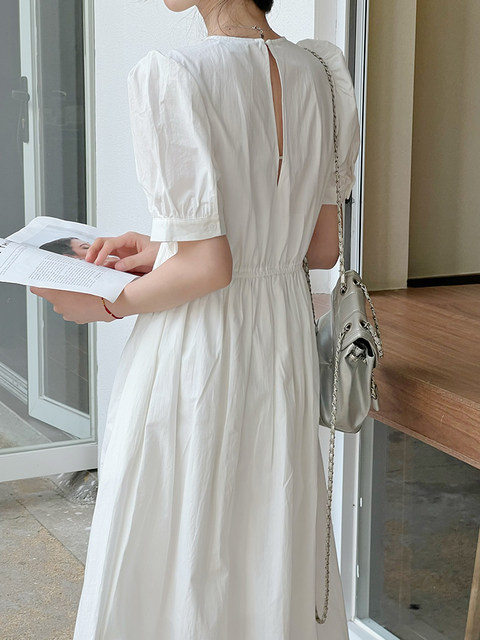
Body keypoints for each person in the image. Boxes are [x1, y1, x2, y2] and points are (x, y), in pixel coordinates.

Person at [31, 0, 360, 637]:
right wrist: (162, 249)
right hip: (282, 344)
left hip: (198, 350)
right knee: (267, 527)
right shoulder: (322, 73)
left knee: (182, 531)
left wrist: (104, 302)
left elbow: (209, 268)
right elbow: (319, 249)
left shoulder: (172, 73)